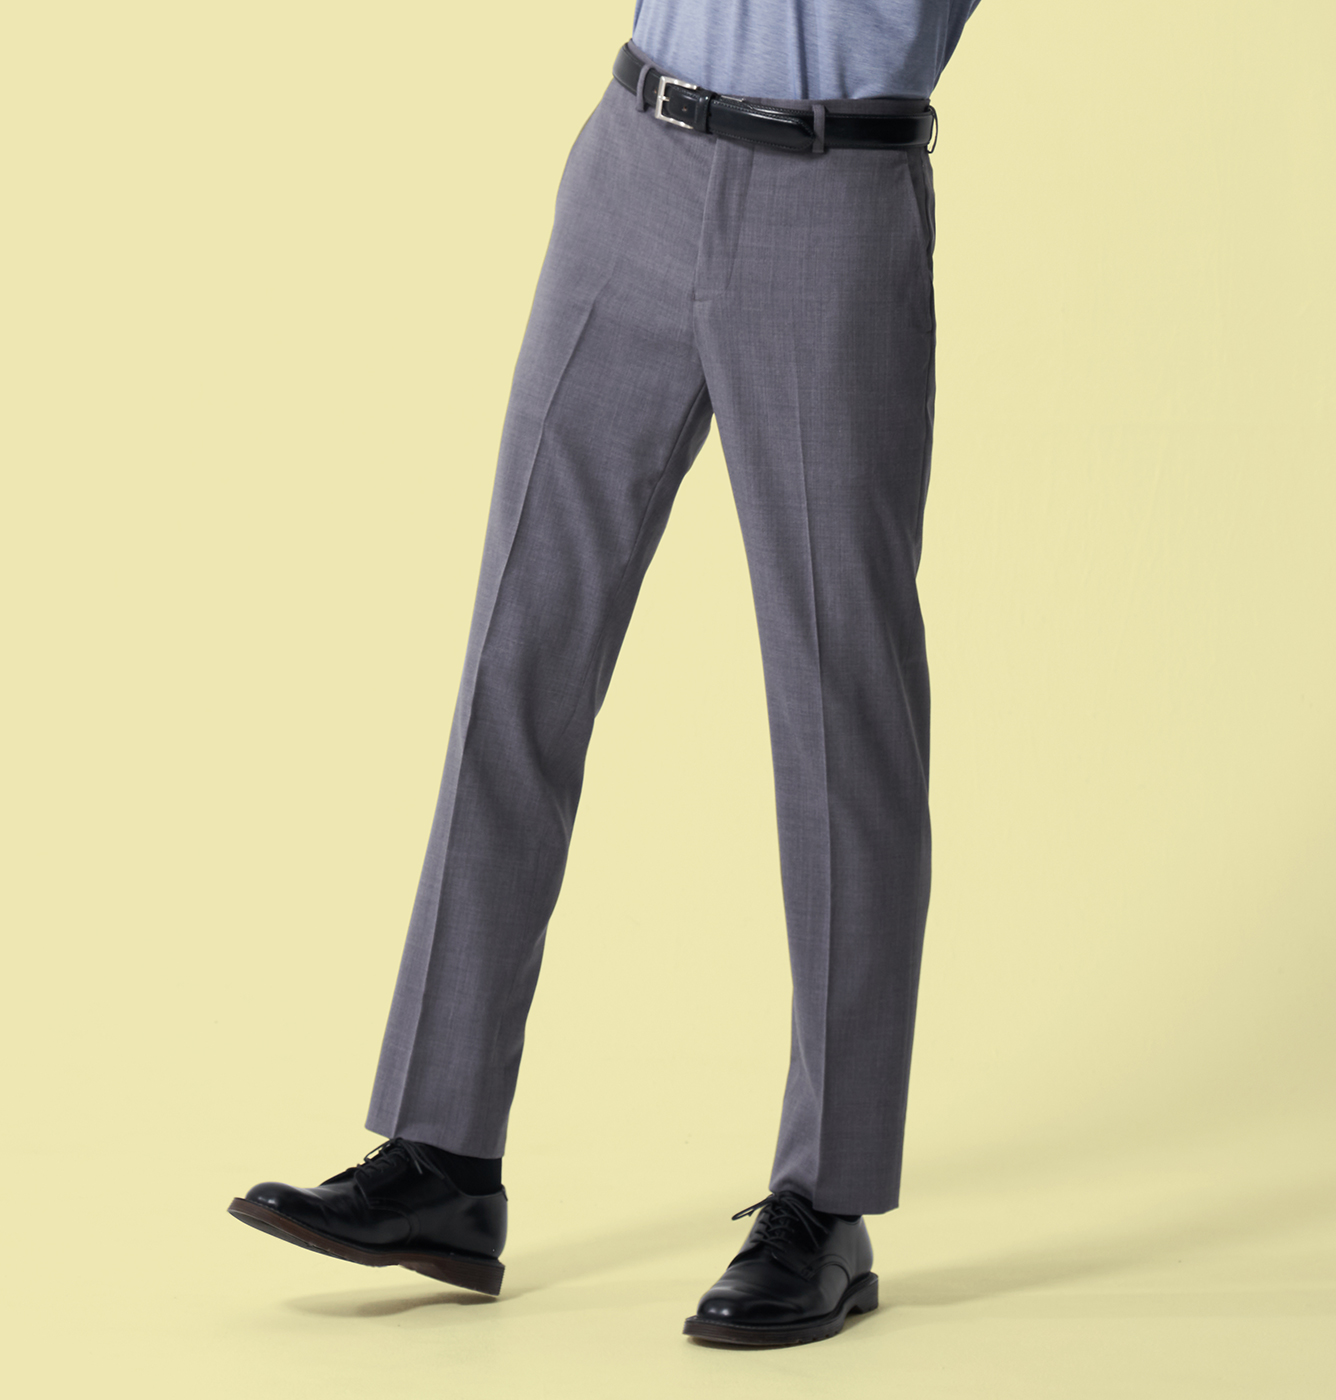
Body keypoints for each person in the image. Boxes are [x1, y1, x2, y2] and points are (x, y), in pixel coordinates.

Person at [229, 0, 982, 1348]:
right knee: (518, 658)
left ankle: (829, 1201)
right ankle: (443, 1156)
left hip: (835, 190)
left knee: (841, 712)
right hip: (637, 158)